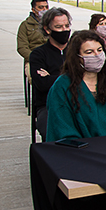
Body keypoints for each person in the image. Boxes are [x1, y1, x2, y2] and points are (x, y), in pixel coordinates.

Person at [46, 30, 106, 141]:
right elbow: (61, 128)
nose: (97, 55)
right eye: (89, 52)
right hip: (79, 151)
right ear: (77, 56)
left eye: (99, 50)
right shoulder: (62, 86)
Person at [29, 8, 71, 141]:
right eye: (59, 27)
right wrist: (72, 76)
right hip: (48, 106)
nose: (64, 30)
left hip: (76, 102)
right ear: (48, 30)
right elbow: (42, 84)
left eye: (67, 26)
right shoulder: (38, 54)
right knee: (51, 131)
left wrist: (52, 77)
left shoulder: (76, 51)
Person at [17, 0, 49, 82]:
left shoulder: (53, 23)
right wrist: (34, 58)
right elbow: (22, 48)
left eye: (46, 7)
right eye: (41, 7)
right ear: (33, 10)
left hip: (51, 57)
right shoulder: (25, 25)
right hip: (34, 58)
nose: (44, 10)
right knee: (37, 78)